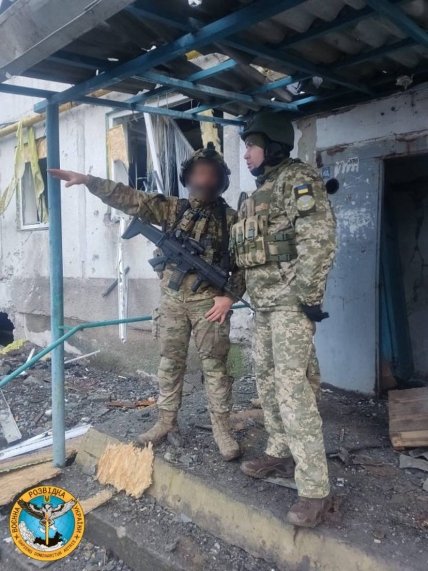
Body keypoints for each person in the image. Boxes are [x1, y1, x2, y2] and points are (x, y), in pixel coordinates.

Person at [49, 143, 245, 461]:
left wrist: (229, 296)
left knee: (215, 367)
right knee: (169, 364)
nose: (204, 180)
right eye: (199, 173)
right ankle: (166, 421)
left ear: (220, 180)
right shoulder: (172, 209)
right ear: (188, 177)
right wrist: (88, 181)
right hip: (172, 301)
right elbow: (130, 198)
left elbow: (247, 263)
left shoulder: (231, 220)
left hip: (209, 304)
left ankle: (222, 429)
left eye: (211, 174)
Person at [230, 111, 336, 527]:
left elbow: (318, 238)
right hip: (264, 304)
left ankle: (315, 489)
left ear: (272, 146)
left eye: (251, 147)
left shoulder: (297, 179)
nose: (245, 155)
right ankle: (279, 450)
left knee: (294, 391)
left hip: (290, 304)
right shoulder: (261, 191)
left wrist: (309, 297)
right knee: (267, 381)